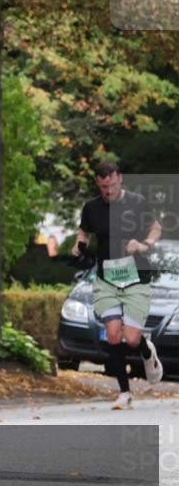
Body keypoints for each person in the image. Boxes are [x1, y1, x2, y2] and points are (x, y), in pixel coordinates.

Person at [71, 161, 163, 409]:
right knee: (113, 334)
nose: (108, 191)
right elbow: (84, 233)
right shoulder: (91, 207)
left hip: (135, 277)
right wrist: (78, 245)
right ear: (98, 184)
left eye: (111, 185)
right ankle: (124, 392)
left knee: (131, 338)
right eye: (103, 187)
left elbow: (155, 228)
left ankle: (146, 350)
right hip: (107, 277)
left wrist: (143, 244)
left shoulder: (137, 202)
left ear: (119, 178)